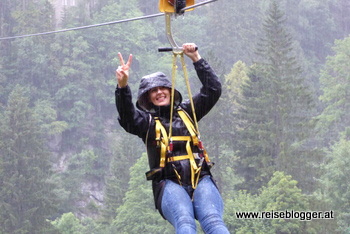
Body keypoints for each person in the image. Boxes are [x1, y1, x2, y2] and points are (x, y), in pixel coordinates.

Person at [115, 43, 229, 234]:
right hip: (168, 184)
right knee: (185, 222)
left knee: (213, 221)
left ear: (170, 90)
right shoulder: (146, 123)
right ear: (148, 98)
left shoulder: (188, 112)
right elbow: (127, 116)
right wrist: (123, 86)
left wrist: (196, 58)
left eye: (162, 88)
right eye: (153, 91)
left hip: (201, 178)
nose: (159, 92)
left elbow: (213, 90)